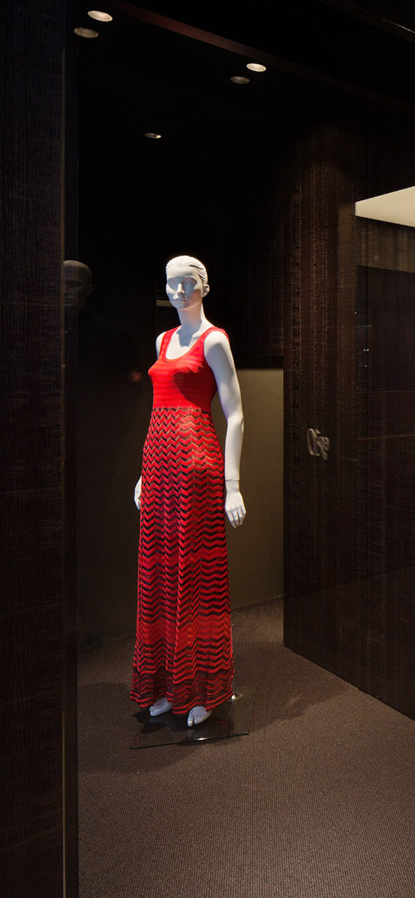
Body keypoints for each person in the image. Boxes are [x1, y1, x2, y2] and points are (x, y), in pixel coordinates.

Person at [131, 255, 246, 727]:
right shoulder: (162, 341)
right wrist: (144, 473)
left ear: (205, 287)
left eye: (188, 283)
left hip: (196, 465)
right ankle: (165, 685)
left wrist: (232, 484)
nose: (178, 291)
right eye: (171, 283)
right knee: (158, 575)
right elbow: (157, 407)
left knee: (195, 576)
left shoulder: (214, 340)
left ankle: (204, 689)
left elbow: (236, 414)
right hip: (157, 465)